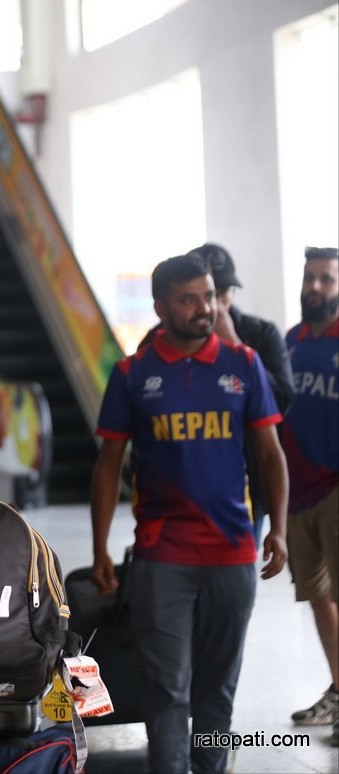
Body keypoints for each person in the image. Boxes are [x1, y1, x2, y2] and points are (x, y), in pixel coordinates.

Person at [90, 252, 288, 774]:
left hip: (232, 556)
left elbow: (270, 454)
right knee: (167, 692)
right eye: (188, 299)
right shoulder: (133, 374)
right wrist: (99, 549)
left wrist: (281, 531)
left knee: (217, 693)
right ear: (160, 307)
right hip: (163, 558)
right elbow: (108, 466)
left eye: (208, 296)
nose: (203, 308)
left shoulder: (243, 364)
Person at [141, 242, 294, 547]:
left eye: (219, 296)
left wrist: (234, 345)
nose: (210, 309)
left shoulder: (261, 335)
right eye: (194, 299)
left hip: (245, 491)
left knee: (235, 581)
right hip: (171, 497)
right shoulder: (156, 340)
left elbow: (282, 402)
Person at [281, 246, 339, 746]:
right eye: (310, 278)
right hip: (296, 496)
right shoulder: (292, 342)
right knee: (318, 598)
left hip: (336, 489)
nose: (315, 287)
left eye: (326, 279)